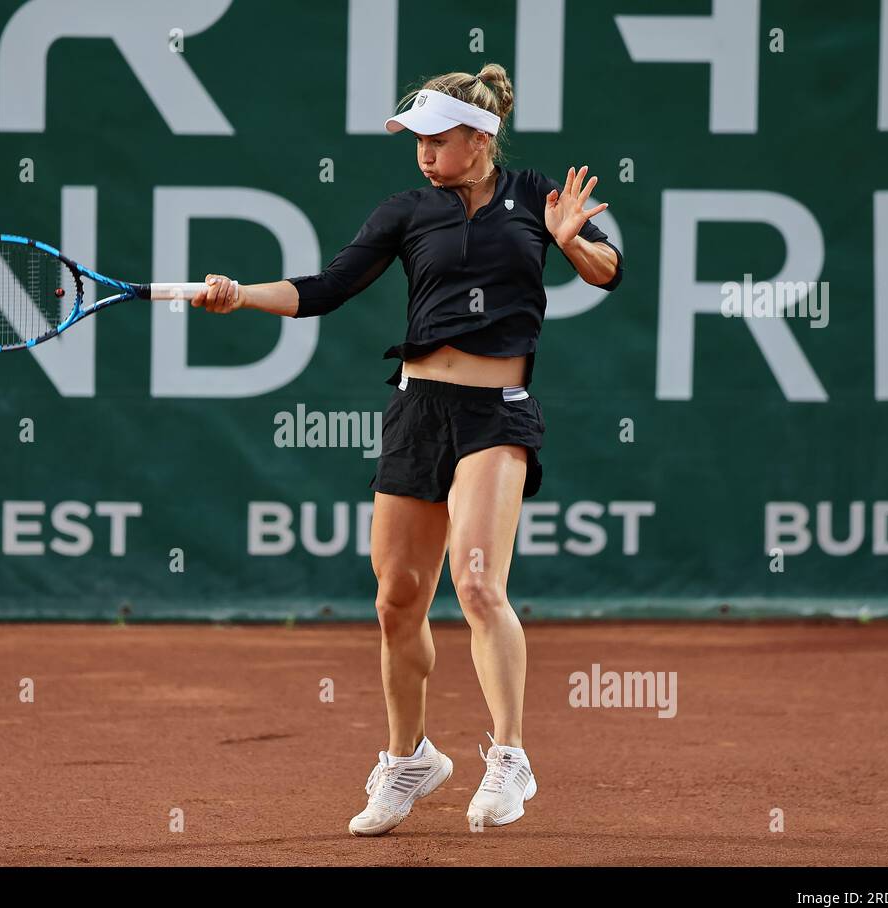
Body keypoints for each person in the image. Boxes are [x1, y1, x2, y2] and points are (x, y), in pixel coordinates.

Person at [190, 63, 623, 835]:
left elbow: (609, 270)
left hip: (499, 411)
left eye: (439, 138)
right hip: (418, 409)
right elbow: (325, 287)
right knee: (396, 601)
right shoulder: (406, 211)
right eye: (417, 139)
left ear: (481, 137)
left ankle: (511, 757)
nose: (424, 153)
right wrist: (242, 293)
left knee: (480, 584)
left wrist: (572, 244)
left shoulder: (535, 196)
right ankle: (409, 761)